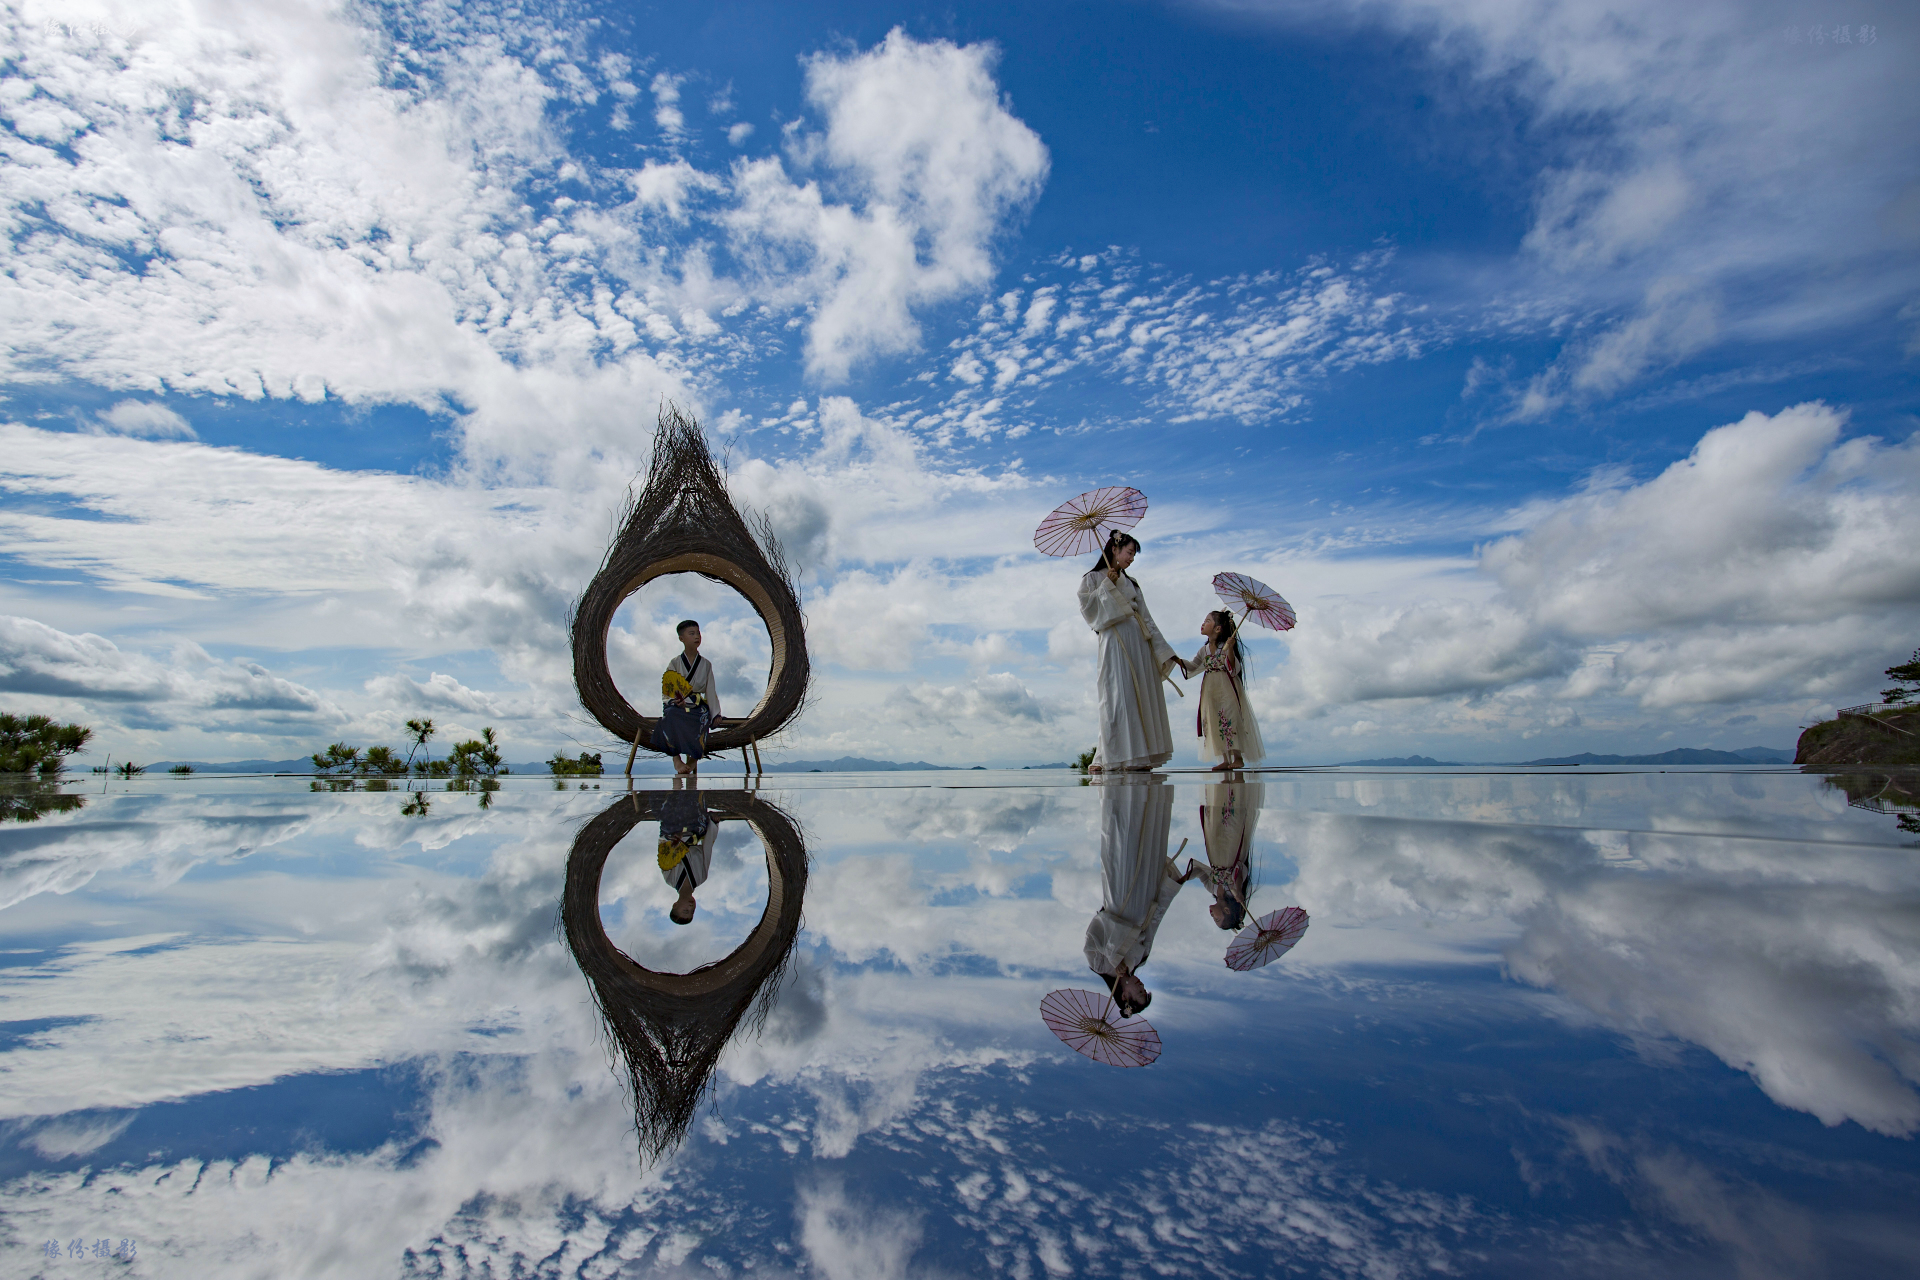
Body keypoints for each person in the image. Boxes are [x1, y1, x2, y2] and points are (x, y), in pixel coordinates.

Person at [1077, 531, 1181, 773]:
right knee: (1115, 695)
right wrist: (1107, 585)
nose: (1132, 558)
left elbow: (1147, 618)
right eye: (1130, 552)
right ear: (1115, 548)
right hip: (1114, 639)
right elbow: (1088, 610)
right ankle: (1109, 755)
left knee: (1138, 697)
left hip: (1139, 641)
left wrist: (1165, 651)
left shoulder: (1132, 583)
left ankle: (1139, 755)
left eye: (1134, 554)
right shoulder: (1092, 578)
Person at [1083, 777, 1186, 1017]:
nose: (1142, 986)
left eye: (1139, 993)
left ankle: (1122, 789)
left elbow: (1096, 929)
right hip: (1146, 897)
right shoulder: (1141, 958)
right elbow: (1155, 921)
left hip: (1120, 900)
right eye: (1144, 990)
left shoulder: (1098, 964)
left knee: (1123, 844)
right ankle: (1147, 789)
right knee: (1149, 842)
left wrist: (1113, 954)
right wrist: (1171, 888)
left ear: (1124, 996)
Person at [1181, 610, 1265, 771]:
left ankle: (1238, 757)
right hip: (1210, 689)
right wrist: (1175, 659)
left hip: (1226, 686)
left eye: (1207, 621)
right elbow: (1192, 666)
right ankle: (1225, 758)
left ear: (1218, 628)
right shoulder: (1203, 650)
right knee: (1214, 720)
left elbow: (1232, 667)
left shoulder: (1224, 647)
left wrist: (1231, 649)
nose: (1203, 623)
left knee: (1230, 718)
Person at [1187, 780, 1264, 932]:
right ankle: (1237, 781)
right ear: (1227, 911)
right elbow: (1239, 870)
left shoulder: (1212, 889)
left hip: (1215, 851)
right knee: (1233, 817)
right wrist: (1239, 889)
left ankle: (1223, 786)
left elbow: (1200, 872)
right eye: (1216, 918)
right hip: (1231, 850)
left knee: (1215, 818)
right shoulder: (1234, 890)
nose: (1212, 915)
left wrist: (1184, 878)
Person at [653, 619, 724, 776]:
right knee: (670, 715)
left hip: (697, 705)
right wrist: (674, 701)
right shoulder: (675, 663)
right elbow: (668, 689)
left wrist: (716, 713)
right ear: (681, 638)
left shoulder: (706, 664)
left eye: (698, 633)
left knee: (704, 717)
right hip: (679, 704)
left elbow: (710, 690)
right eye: (692, 633)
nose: (697, 636)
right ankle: (676, 758)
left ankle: (693, 759)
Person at [657, 781, 717, 925]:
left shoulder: (670, 878)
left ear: (675, 905)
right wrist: (714, 825)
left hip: (672, 832)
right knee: (694, 815)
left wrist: (673, 839)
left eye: (685, 910)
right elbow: (707, 848)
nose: (691, 908)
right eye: (692, 911)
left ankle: (679, 782)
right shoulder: (701, 878)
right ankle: (690, 774)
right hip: (695, 830)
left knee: (674, 816)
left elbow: (663, 850)